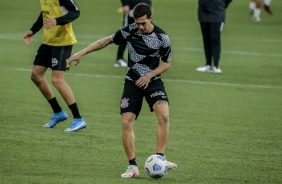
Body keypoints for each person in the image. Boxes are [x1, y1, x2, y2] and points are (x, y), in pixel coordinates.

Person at [66, 3, 177, 178]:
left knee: (163, 115)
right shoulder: (130, 30)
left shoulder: (162, 38)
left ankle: (160, 158)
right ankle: (132, 167)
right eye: (137, 23)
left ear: (151, 18)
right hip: (132, 82)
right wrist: (82, 52)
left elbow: (167, 63)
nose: (139, 27)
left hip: (152, 80)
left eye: (143, 23)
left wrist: (149, 75)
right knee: (126, 121)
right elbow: (106, 41)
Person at [23, 0, 86, 132]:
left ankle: (78, 119)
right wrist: (33, 30)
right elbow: (45, 13)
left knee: (57, 80)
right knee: (36, 75)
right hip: (48, 41)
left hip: (63, 42)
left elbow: (76, 11)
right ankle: (58, 112)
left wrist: (57, 21)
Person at [196, 0, 232, 74]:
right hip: (203, 12)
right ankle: (208, 64)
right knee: (206, 39)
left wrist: (222, 4)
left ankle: (216, 65)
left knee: (215, 39)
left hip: (217, 13)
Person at [114, 0, 152, 68]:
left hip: (145, 9)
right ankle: (119, 58)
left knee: (146, 34)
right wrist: (125, 4)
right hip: (131, 8)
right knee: (125, 33)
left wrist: (149, 5)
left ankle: (143, 59)